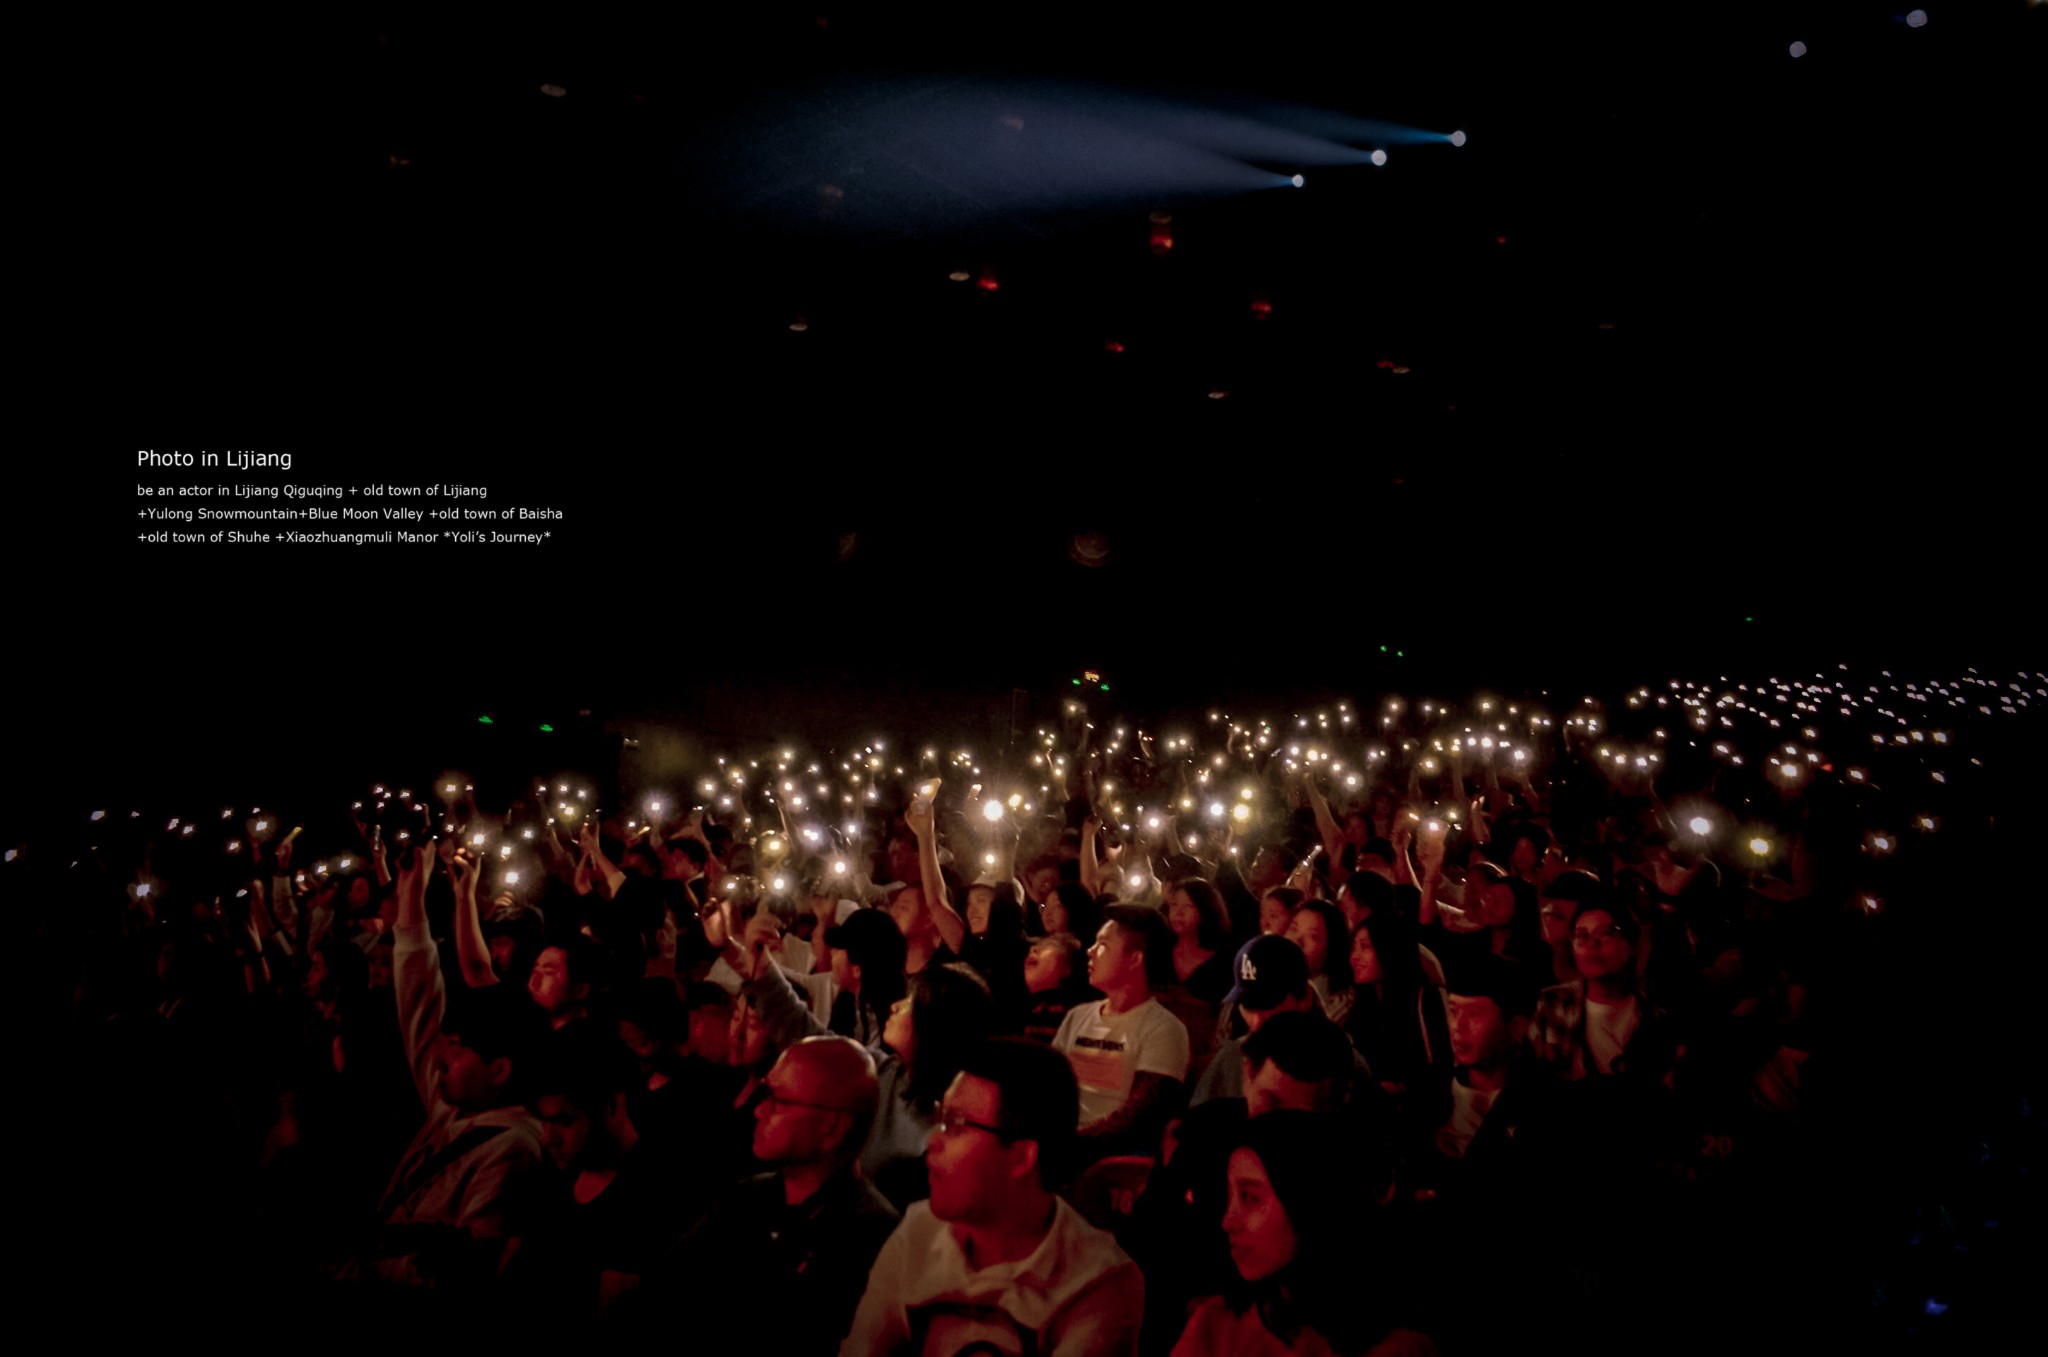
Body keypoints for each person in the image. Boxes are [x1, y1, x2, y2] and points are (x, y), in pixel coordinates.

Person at [839, 1038, 1145, 1355]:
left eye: (955, 1124)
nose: (932, 1141)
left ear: (1021, 1157)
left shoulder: (1099, 1283)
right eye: (940, 1119)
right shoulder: (919, 1230)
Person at [361, 841, 544, 1290]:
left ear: (500, 1070)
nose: (441, 1059)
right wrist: (410, 893)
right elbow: (419, 1003)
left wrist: (353, 1275)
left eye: (458, 1050)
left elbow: (460, 1273)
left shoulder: (511, 1149)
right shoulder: (454, 1107)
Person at [642, 1036, 900, 1352]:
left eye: (777, 1100)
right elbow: (661, 1288)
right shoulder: (749, 1197)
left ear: (833, 1129)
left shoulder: (868, 1236)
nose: (759, 1111)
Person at [1172, 1111, 1435, 1356]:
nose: (1229, 1221)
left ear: (1308, 1204)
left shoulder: (1399, 1347)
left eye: (1250, 1198)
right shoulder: (1216, 1325)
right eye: (1229, 1197)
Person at [1051, 906, 1191, 1155]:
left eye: (1103, 944)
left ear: (1135, 959)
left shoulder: (1164, 1029)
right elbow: (1048, 1086)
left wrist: (1068, 1146)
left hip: (1108, 1161)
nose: (1090, 951)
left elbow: (1140, 1119)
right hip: (1061, 1143)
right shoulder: (1077, 1016)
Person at [1282, 899, 1354, 1025]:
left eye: (1313, 936)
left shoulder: (1338, 1005)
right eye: (1293, 929)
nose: (1297, 941)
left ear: (1331, 949)